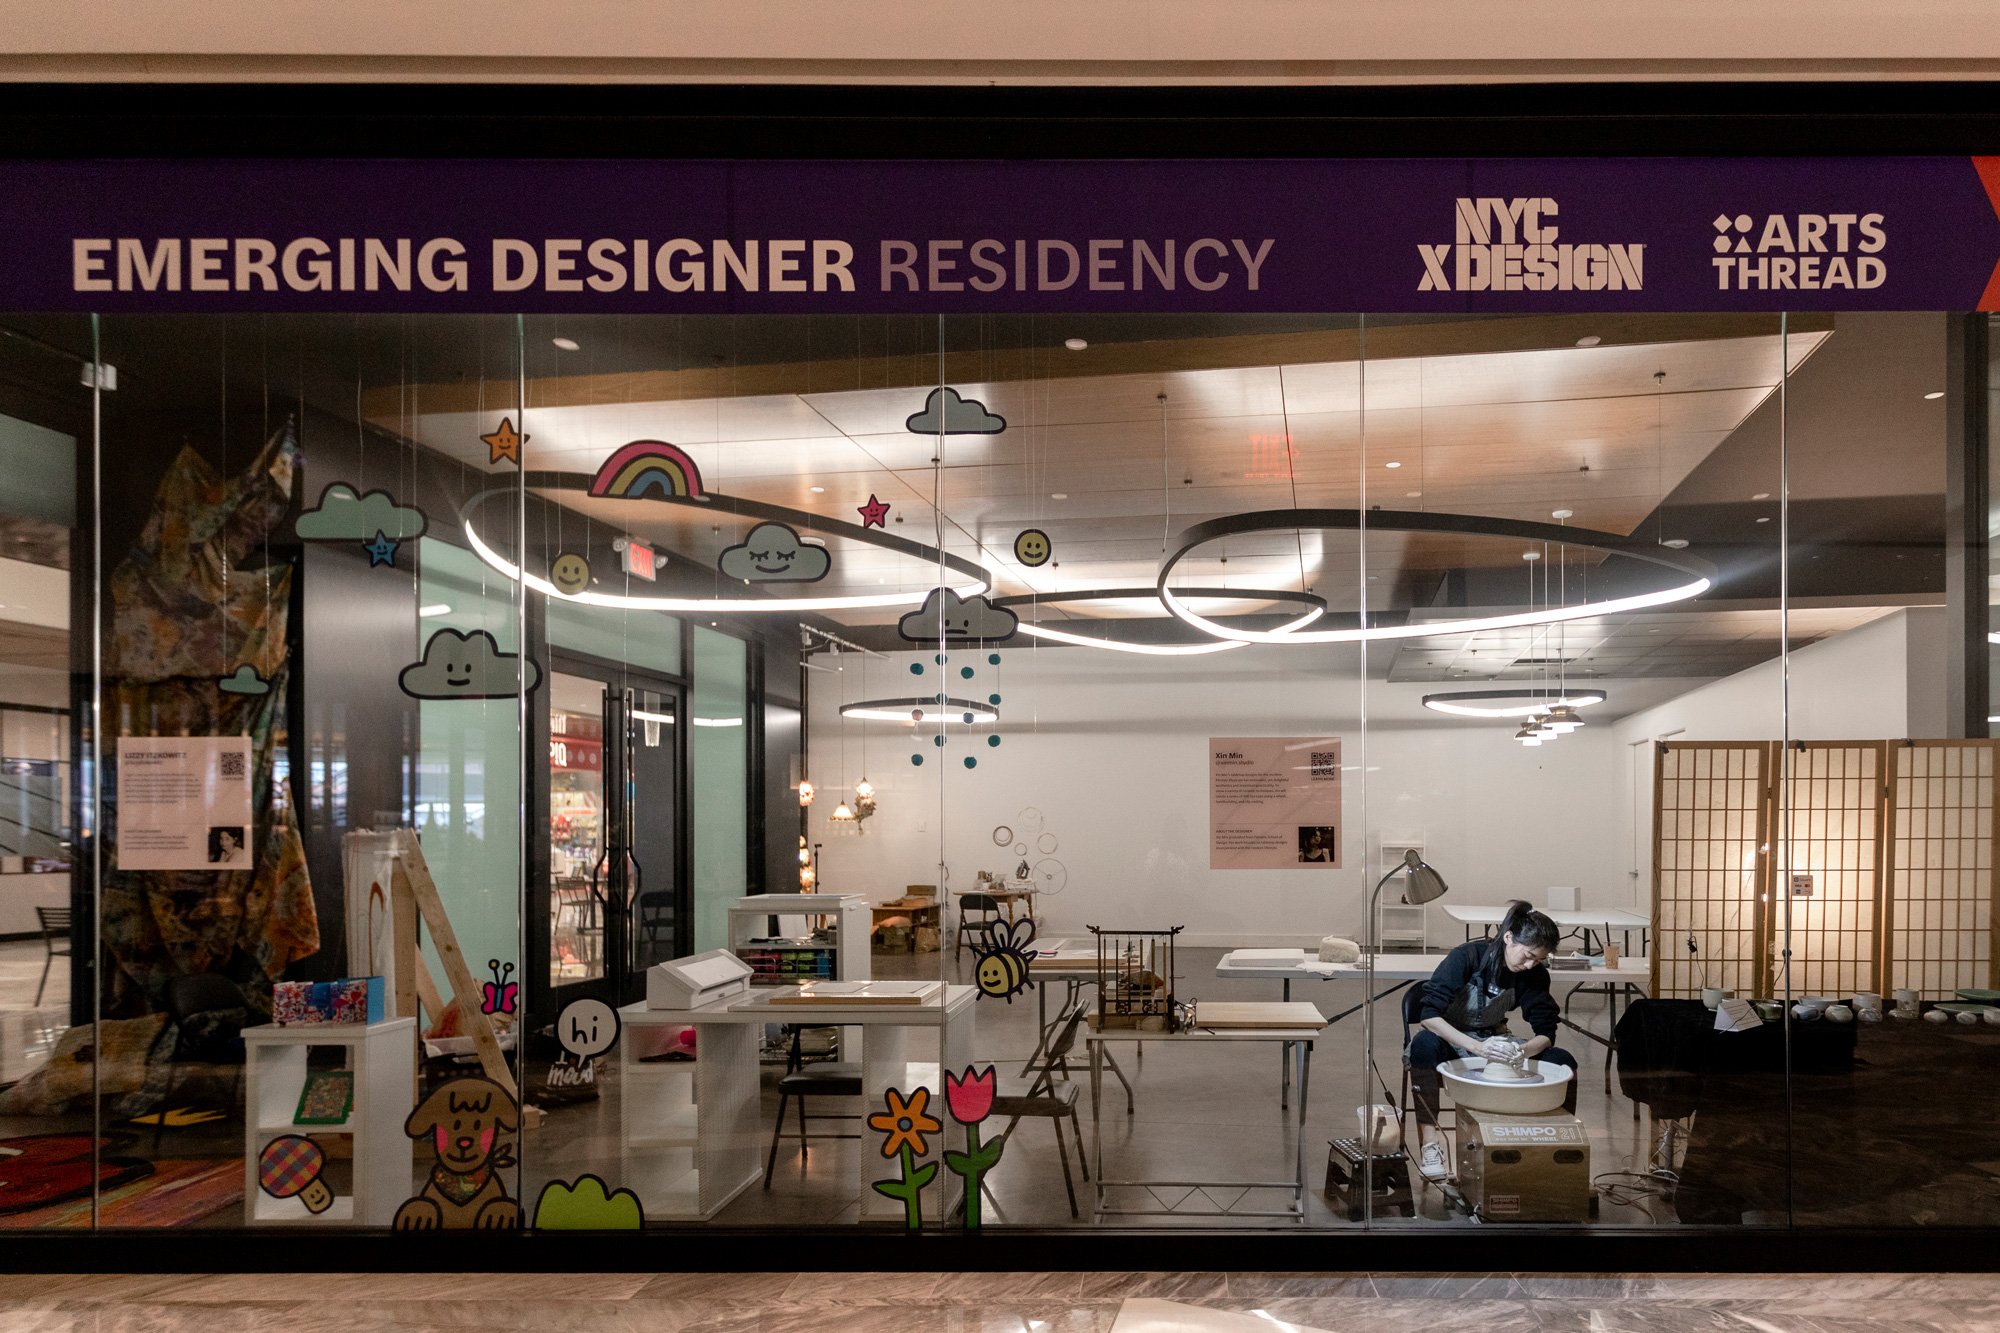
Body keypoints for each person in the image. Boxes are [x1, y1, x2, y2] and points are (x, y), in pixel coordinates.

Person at [1406, 899, 1577, 1182]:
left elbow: (1546, 1032)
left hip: (1494, 1037)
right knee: (1423, 1046)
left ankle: (1561, 1143)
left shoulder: (1534, 975)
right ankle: (1430, 1145)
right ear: (1509, 938)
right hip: (1450, 1035)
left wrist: (1522, 1051)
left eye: (1539, 959)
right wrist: (1476, 1047)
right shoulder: (1467, 956)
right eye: (1528, 955)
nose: (1531, 964)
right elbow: (1429, 1016)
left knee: (1562, 1061)